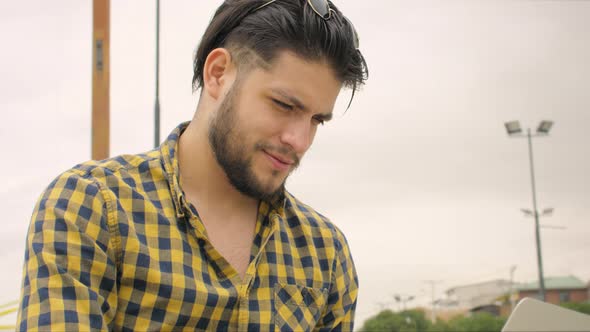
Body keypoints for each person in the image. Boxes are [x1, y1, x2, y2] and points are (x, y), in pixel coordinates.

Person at [17, 0, 368, 330]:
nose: (300, 140)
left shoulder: (325, 253)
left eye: (316, 120)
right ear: (218, 74)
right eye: (283, 105)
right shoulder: (93, 207)